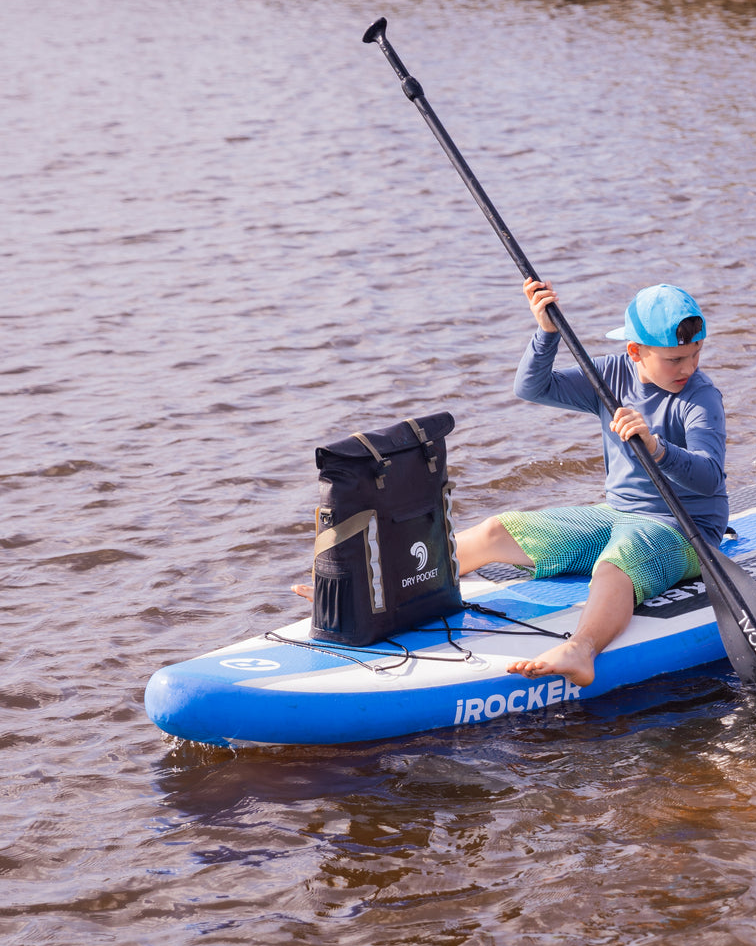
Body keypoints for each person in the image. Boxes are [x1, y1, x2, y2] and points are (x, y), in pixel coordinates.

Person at [296, 281, 726, 688]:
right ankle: (371, 593)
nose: (688, 367)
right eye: (675, 359)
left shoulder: (700, 397)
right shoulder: (609, 376)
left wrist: (657, 448)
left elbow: (709, 479)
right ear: (634, 351)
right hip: (617, 514)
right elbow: (532, 386)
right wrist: (546, 333)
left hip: (685, 529)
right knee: (495, 530)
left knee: (617, 562)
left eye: (695, 354)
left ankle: (581, 650)